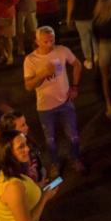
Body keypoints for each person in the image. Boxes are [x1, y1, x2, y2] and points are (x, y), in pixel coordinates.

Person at [23, 26, 86, 176]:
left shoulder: (62, 50)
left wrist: (75, 87)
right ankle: (55, 164)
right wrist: (43, 73)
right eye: (45, 41)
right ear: (37, 41)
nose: (50, 44)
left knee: (74, 136)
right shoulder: (30, 60)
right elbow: (28, 86)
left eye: (52, 40)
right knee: (50, 140)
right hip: (45, 108)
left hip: (65, 103)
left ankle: (75, 158)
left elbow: (77, 64)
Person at [65, 0, 101, 71]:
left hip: (80, 16)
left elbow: (71, 2)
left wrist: (68, 17)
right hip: (95, 14)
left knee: (84, 38)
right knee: (96, 36)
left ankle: (88, 60)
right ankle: (97, 56)